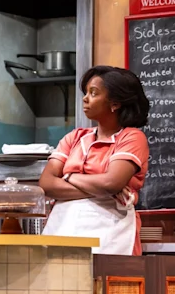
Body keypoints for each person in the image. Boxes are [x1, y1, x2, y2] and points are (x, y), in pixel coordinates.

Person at [39, 65, 150, 255]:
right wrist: (101, 188)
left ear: (115, 103)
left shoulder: (132, 137)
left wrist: (68, 177)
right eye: (86, 92)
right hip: (62, 228)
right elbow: (46, 184)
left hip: (112, 234)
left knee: (102, 282)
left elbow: (111, 182)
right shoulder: (74, 138)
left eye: (93, 93)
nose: (85, 98)